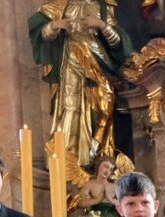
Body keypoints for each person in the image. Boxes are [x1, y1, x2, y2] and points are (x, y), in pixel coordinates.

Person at [28, 0, 132, 170]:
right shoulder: (58, 4)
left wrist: (102, 26)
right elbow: (40, 33)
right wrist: (55, 25)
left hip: (99, 61)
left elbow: (117, 43)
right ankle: (69, 157)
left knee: (105, 106)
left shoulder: (102, 6)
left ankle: (98, 153)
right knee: (71, 106)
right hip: (71, 61)